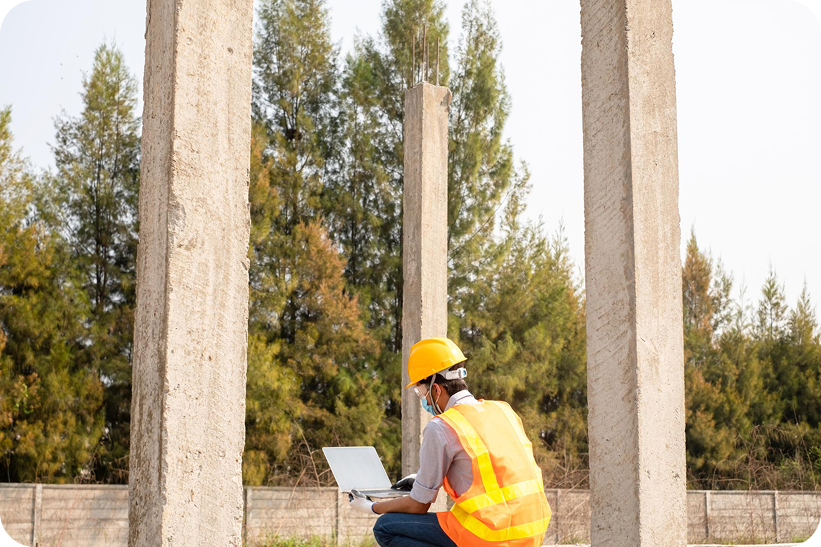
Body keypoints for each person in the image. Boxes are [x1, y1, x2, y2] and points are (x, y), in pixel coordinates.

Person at [348, 337, 551, 547]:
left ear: (436, 389)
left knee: (386, 527)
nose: (425, 401)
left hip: (490, 536)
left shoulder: (442, 426)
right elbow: (495, 468)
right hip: (532, 532)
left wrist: (371, 507)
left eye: (421, 391)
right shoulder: (503, 410)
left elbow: (418, 506)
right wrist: (420, 478)